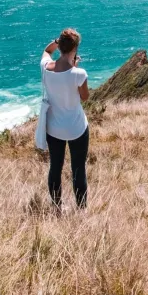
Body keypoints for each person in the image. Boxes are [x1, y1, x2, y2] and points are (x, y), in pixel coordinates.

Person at [41, 28, 90, 210]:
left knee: (55, 167)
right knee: (78, 169)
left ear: (60, 46)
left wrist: (56, 42)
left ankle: (56, 207)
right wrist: (74, 67)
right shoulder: (80, 74)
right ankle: (81, 210)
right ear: (75, 49)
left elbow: (47, 52)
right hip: (76, 128)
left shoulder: (46, 68)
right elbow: (84, 97)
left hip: (53, 129)